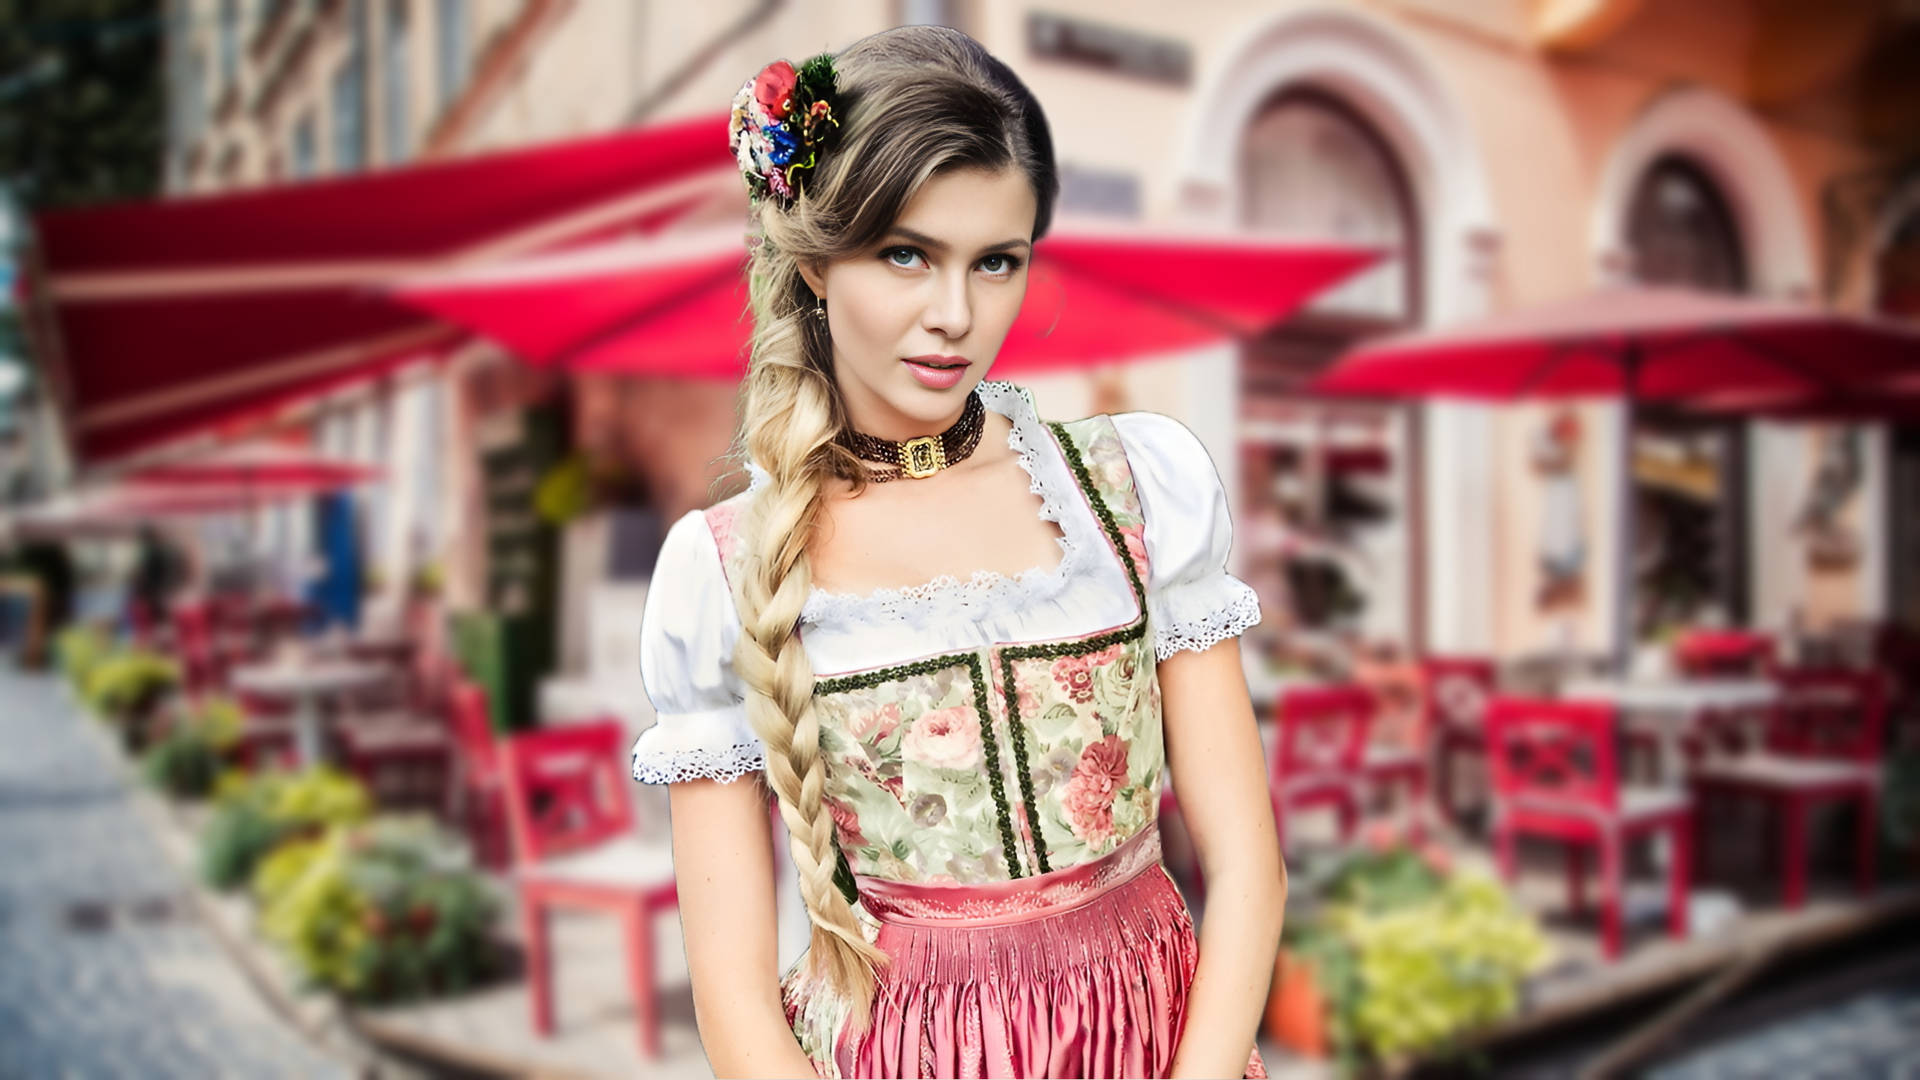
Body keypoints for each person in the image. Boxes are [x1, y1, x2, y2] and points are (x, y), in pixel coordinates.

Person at [630, 25, 1284, 1078]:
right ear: (815, 263)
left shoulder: (1130, 487)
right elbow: (735, 999)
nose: (957, 316)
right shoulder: (723, 569)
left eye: (997, 262)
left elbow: (1249, 865)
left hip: (1166, 1043)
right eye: (906, 254)